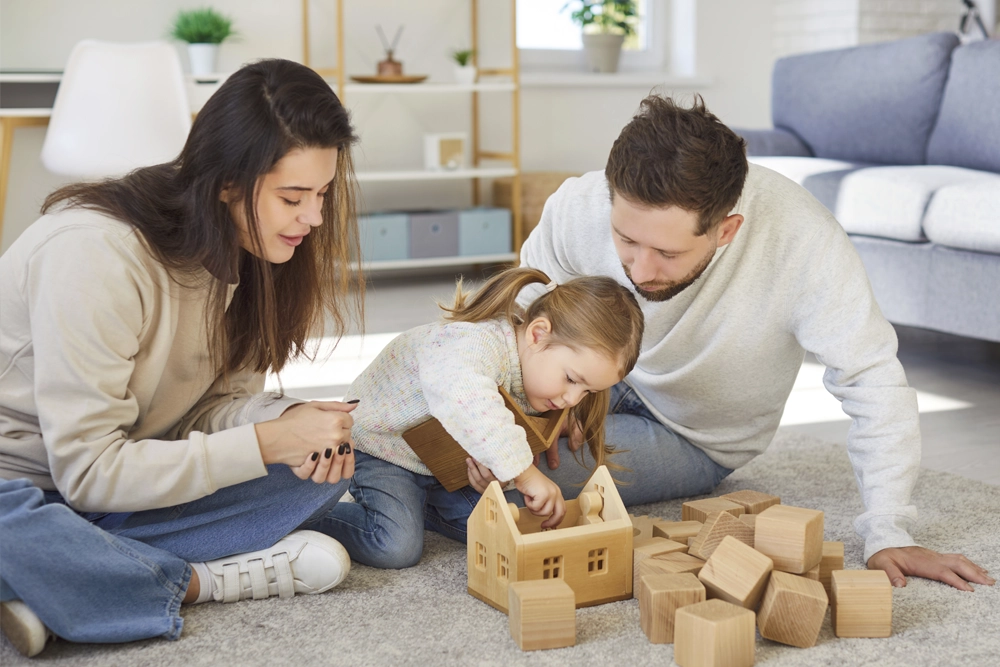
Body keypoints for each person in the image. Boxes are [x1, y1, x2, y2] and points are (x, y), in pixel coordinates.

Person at [518, 95, 994, 592]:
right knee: (468, 429)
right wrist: (510, 405)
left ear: (727, 230)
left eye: (667, 252)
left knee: (519, 491)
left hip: (693, 433)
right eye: (625, 240)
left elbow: (871, 379)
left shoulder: (804, 241)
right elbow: (522, 305)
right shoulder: (582, 202)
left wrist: (888, 527)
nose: (639, 270)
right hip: (602, 376)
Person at [0, 59, 366, 658]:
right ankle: (200, 583)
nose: (315, 218)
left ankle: (68, 582)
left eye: (322, 194)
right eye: (293, 197)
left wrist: (282, 427)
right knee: (11, 528)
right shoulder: (97, 255)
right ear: (227, 182)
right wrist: (266, 445)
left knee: (322, 473)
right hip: (24, 483)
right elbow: (88, 474)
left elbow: (207, 410)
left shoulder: (249, 250)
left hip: (121, 488)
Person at [307, 267, 644, 569]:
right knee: (396, 547)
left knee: (499, 532)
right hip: (382, 451)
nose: (571, 399)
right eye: (571, 379)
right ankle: (306, 517)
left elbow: (485, 435)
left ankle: (415, 506)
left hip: (437, 465)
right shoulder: (476, 343)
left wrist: (498, 475)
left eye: (586, 392)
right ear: (538, 334)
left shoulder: (538, 376)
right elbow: (466, 401)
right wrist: (524, 475)